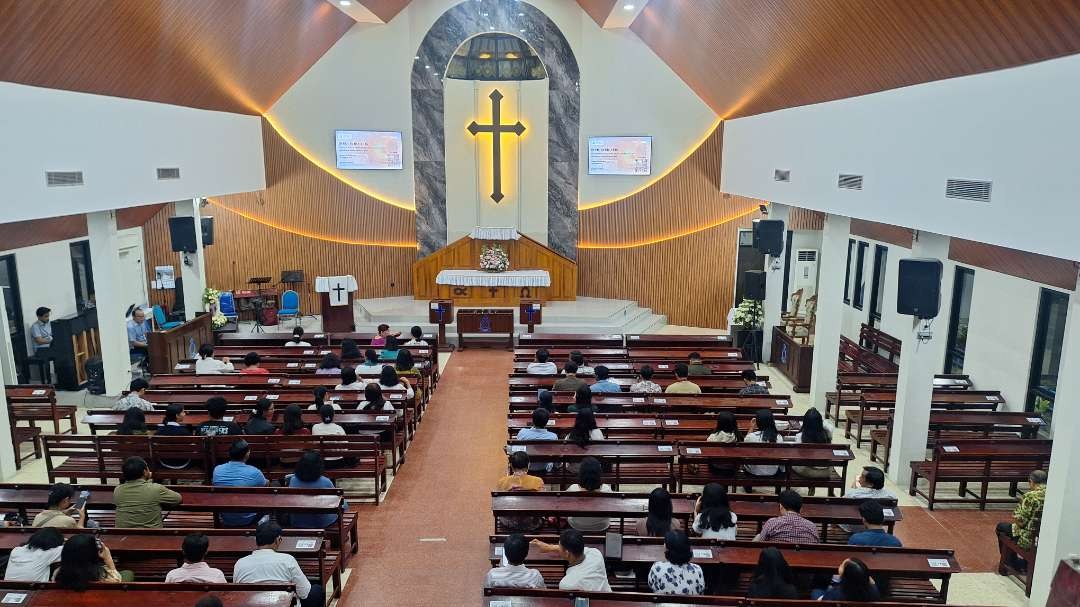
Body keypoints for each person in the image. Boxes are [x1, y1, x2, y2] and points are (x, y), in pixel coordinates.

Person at [233, 522, 325, 607]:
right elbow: (305, 593)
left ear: (256, 540)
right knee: (316, 590)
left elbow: (236, 594)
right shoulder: (287, 560)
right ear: (278, 540)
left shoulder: (240, 563)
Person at [530, 529, 611, 591]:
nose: (558, 547)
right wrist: (549, 547)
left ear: (567, 553)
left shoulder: (567, 584)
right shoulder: (596, 554)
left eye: (559, 546)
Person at [113, 456, 182, 528]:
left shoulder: (118, 490)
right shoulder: (155, 489)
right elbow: (178, 499)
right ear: (145, 472)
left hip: (123, 536)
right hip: (152, 536)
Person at [212, 439, 268, 526]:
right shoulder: (255, 472)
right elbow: (266, 486)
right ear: (247, 454)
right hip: (248, 519)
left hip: (226, 517)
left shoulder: (217, 469)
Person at [996, 469, 1047, 561]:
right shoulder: (1054, 494)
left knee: (1001, 527)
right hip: (1046, 537)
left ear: (1031, 481)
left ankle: (1010, 562)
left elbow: (1021, 522)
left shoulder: (1030, 496)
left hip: (1029, 538)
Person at [288, 451, 344, 529]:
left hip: (298, 521)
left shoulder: (293, 480)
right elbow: (337, 502)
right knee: (344, 504)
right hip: (322, 522)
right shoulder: (325, 481)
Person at [54, 534, 123, 588]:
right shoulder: (103, 576)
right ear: (93, 553)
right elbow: (118, 582)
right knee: (128, 573)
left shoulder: (58, 572)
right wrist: (109, 559)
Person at [648, 530, 705, 595]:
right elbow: (700, 591)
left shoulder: (657, 568)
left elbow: (651, 585)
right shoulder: (697, 569)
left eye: (665, 543)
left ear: (667, 549)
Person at [755, 489, 820, 543]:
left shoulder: (772, 523)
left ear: (781, 507)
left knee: (758, 536)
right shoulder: (812, 526)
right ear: (801, 509)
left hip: (778, 558)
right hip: (806, 557)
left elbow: (760, 543)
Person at [566, 457, 612, 532]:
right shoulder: (606, 489)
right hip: (602, 525)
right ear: (599, 473)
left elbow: (565, 508)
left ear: (581, 473)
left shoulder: (573, 489)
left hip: (576, 525)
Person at [792, 408, 834, 481]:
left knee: (791, 463)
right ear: (820, 422)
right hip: (826, 471)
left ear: (805, 423)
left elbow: (796, 455)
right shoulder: (827, 434)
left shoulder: (800, 436)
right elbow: (830, 426)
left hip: (807, 470)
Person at [813, 558, 879, 601]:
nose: (840, 565)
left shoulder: (835, 593)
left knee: (816, 591)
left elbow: (821, 601)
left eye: (842, 565)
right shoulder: (873, 591)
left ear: (846, 576)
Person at [744, 409, 783, 477]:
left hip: (754, 471)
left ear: (758, 422)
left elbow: (745, 443)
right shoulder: (778, 437)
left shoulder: (752, 437)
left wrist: (752, 427)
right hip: (772, 471)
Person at [156, 404, 193, 469]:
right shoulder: (185, 432)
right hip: (183, 463)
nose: (184, 414)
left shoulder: (159, 431)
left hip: (164, 462)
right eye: (183, 412)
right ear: (177, 415)